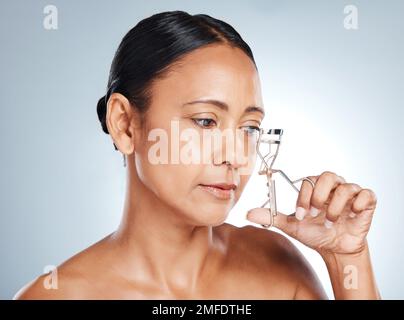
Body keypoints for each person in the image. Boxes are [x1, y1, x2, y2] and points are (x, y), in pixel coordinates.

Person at [15, 10, 379, 300]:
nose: (236, 156)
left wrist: (347, 260)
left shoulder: (278, 266)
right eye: (205, 122)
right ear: (125, 125)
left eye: (249, 128)